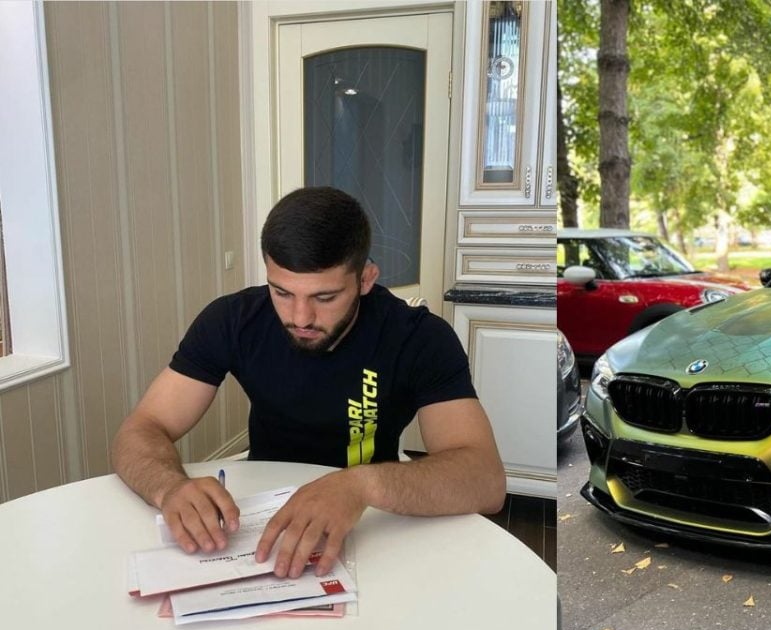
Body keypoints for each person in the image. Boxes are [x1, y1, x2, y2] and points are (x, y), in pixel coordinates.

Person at [111, 187, 506, 577]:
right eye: (281, 292)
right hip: (261, 515)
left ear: (366, 279)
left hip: (375, 520)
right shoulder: (231, 320)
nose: (300, 317)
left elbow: (485, 479)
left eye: (325, 297)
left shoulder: (418, 337)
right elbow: (144, 426)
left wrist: (359, 486)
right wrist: (170, 488)